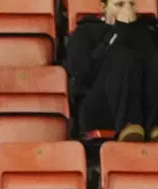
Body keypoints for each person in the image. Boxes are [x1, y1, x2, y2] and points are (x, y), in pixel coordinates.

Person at [67, 0, 158, 142]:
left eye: (131, 4)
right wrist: (119, 31)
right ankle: (129, 124)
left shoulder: (147, 30)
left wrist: (134, 30)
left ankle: (154, 125)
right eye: (119, 5)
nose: (127, 11)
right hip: (102, 103)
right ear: (104, 7)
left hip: (144, 103)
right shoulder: (86, 30)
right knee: (124, 57)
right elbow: (83, 73)